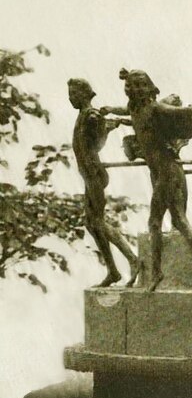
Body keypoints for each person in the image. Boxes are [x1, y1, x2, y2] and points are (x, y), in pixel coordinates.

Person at [104, 69, 192, 291]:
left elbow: (181, 112)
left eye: (140, 85)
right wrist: (111, 111)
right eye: (132, 86)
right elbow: (127, 112)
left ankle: (157, 272)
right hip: (159, 171)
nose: (136, 90)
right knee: (178, 220)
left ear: (149, 87)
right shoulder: (133, 109)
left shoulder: (157, 108)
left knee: (154, 222)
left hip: (167, 170)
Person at [68, 78, 139, 287]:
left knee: (97, 221)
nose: (70, 98)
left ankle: (132, 260)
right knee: (91, 223)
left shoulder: (91, 116)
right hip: (88, 174)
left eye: (73, 94)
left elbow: (97, 143)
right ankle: (113, 271)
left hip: (94, 173)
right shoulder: (83, 115)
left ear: (84, 94)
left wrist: (107, 129)